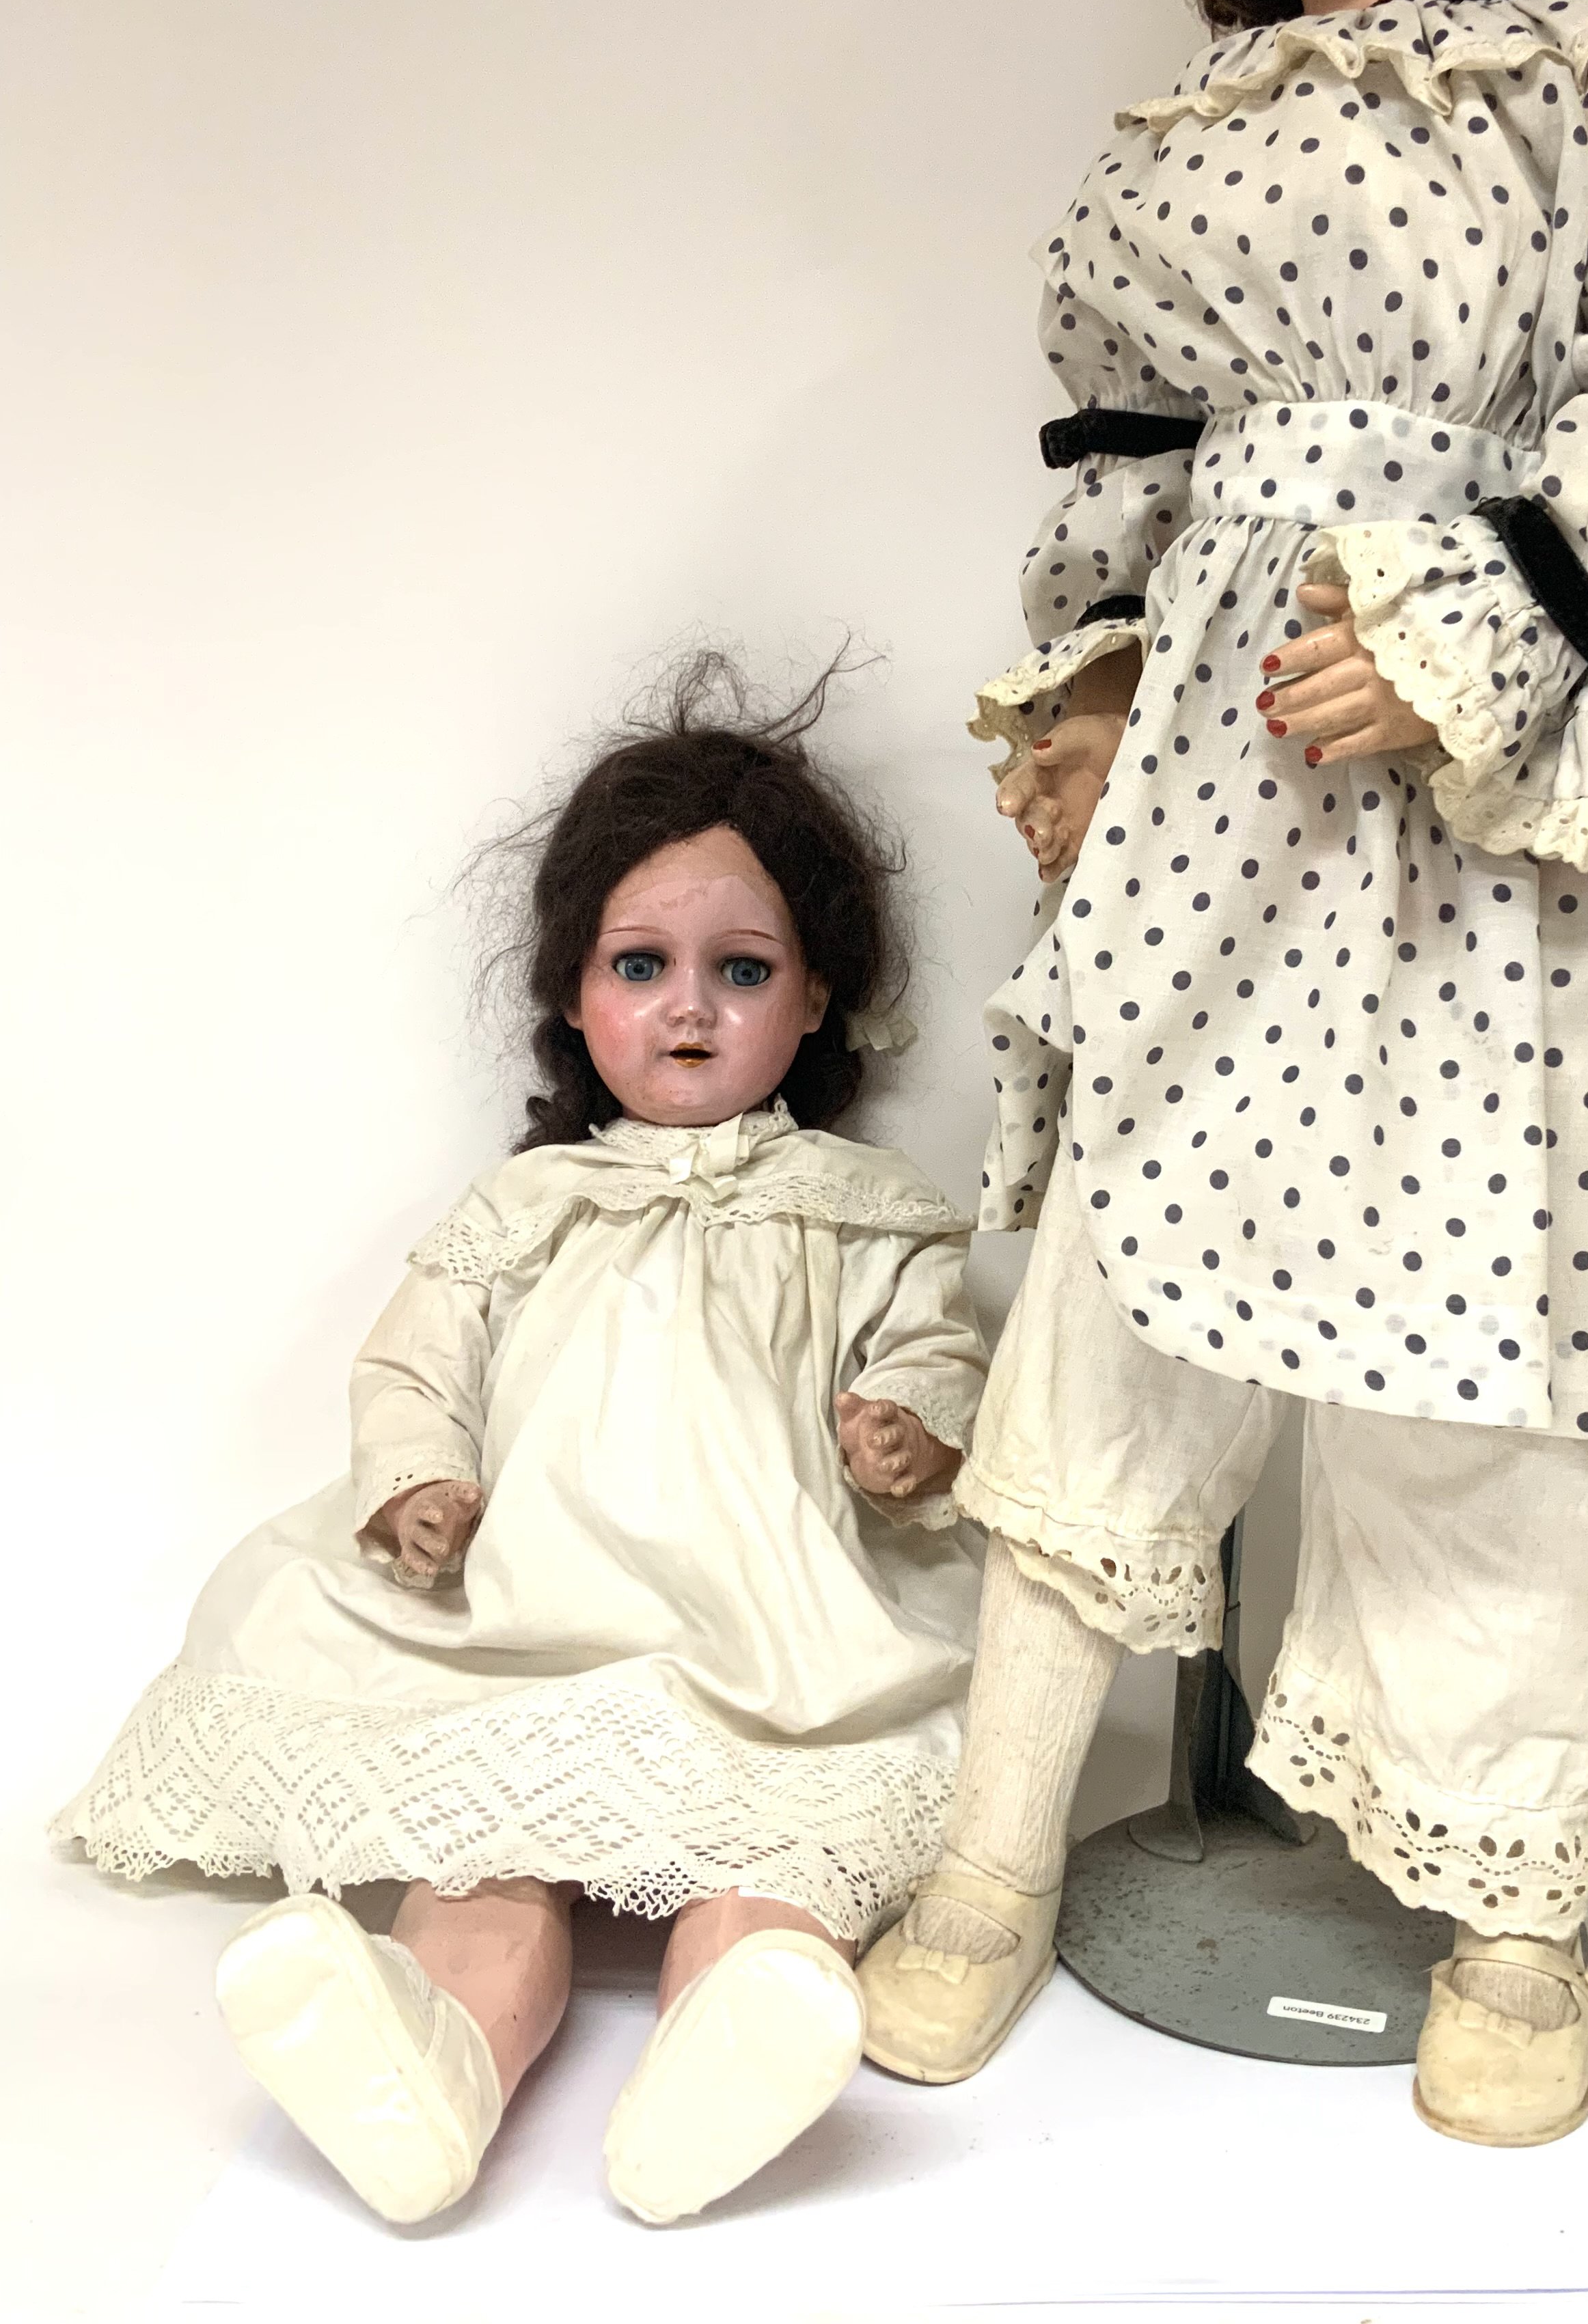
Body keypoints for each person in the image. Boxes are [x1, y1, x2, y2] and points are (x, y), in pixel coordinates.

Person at [861, 0, 1588, 2149]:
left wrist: (1470, 631)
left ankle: (1511, 1904)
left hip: (1492, 850)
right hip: (1217, 819)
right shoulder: (1187, 147)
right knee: (1115, 1298)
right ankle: (993, 1850)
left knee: (1488, 1347)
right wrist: (1087, 701)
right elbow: (1125, 462)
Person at [56, 665, 987, 2223]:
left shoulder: (866, 1210)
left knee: (771, 1860)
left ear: (818, 996)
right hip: (529, 1622)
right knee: (486, 1862)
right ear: (573, 992)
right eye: (642, 964)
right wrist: (416, 1474)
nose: (690, 1006)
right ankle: (426, 2066)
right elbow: (415, 1358)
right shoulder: (525, 1206)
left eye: (743, 969)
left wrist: (912, 1425)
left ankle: (728, 2050)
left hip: (777, 1639)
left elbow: (937, 1344)